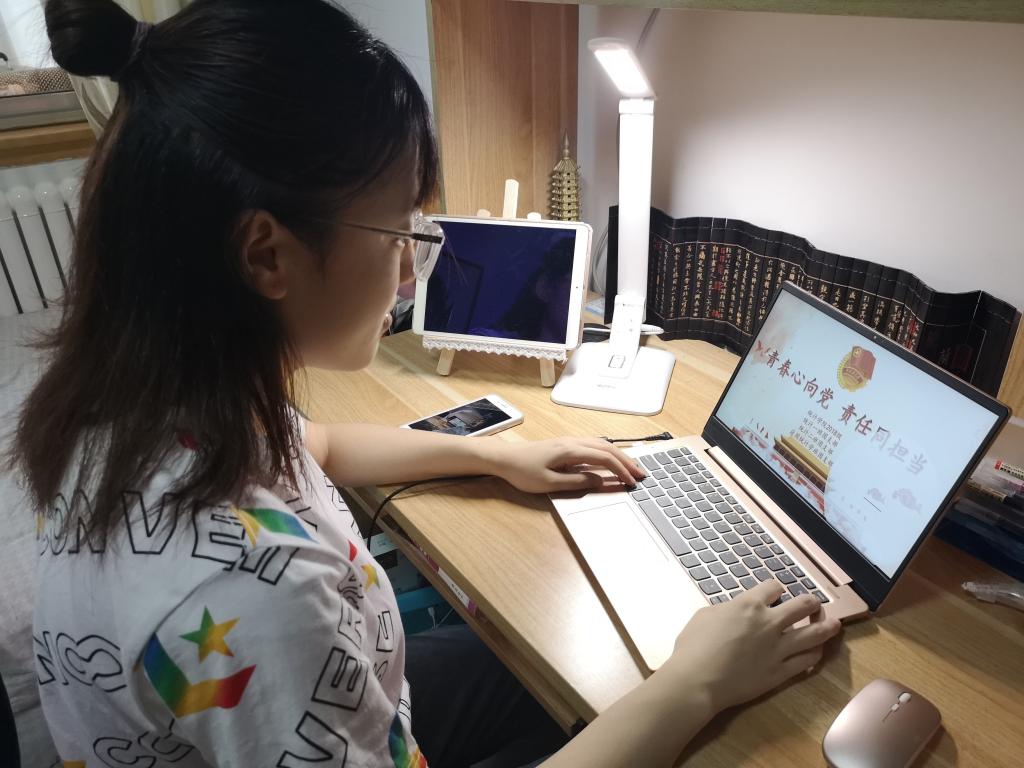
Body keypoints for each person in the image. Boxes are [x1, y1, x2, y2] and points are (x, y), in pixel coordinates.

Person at [12, 1, 842, 766]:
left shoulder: (144, 408)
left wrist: (496, 457)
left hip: (353, 699)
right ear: (266, 255)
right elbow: (281, 596)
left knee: (574, 680)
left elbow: (318, 445)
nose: (411, 272)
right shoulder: (254, 598)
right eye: (396, 232)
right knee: (653, 708)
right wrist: (696, 685)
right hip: (323, 700)